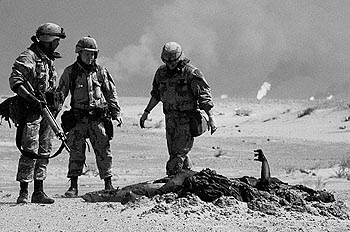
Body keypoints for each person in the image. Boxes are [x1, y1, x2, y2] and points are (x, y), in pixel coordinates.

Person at [57, 36, 122, 197]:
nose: (90, 57)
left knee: (104, 150)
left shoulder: (101, 72)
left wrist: (116, 113)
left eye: (93, 54)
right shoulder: (70, 72)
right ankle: (73, 186)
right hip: (78, 119)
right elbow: (60, 95)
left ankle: (108, 182)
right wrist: (53, 115)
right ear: (79, 53)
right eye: (87, 53)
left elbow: (110, 93)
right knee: (76, 152)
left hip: (97, 119)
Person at [140, 42, 217, 176]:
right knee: (176, 153)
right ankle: (188, 179)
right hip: (170, 119)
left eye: (173, 61)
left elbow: (204, 96)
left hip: (186, 120)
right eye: (167, 61)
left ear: (180, 58)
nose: (170, 64)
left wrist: (211, 118)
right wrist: (146, 112)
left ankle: (172, 180)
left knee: (177, 156)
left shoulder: (191, 73)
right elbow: (156, 95)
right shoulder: (161, 73)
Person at [9, 22, 66, 204]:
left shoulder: (48, 60)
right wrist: (32, 99)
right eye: (56, 41)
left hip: (47, 113)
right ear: (48, 40)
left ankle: (39, 191)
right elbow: (16, 81)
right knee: (29, 150)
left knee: (45, 150)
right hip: (32, 113)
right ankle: (24, 192)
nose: (57, 45)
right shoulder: (29, 57)